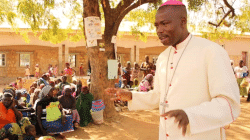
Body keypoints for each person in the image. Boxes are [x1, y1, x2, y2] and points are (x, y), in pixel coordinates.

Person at [105, 1, 240, 139]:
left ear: (183, 22)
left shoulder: (211, 51)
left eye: (165, 23)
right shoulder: (163, 57)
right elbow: (159, 96)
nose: (159, 30)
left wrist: (191, 115)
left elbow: (229, 103)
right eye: (157, 25)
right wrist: (131, 96)